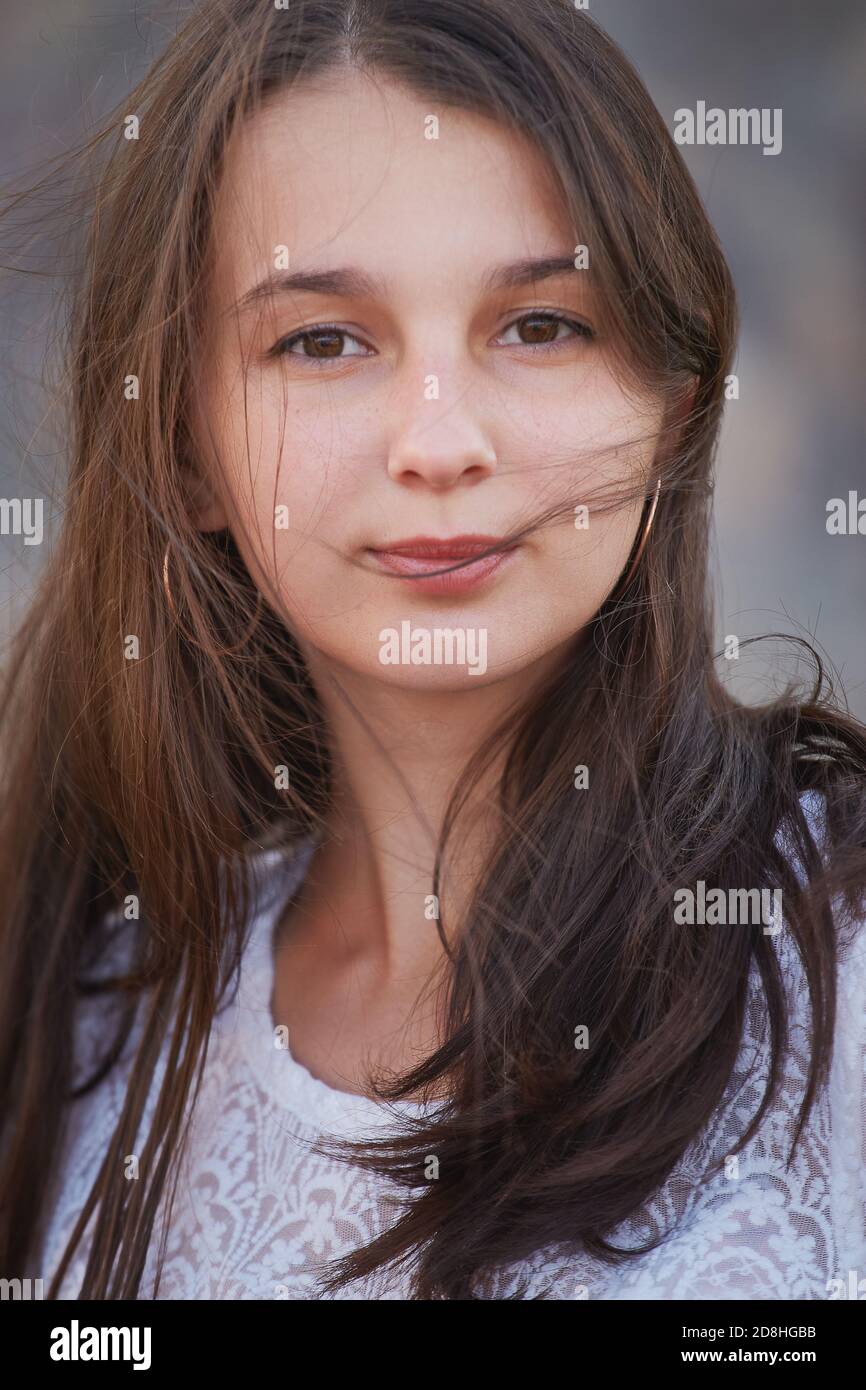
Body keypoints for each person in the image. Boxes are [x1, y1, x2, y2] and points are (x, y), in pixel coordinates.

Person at [0, 0, 863, 1301]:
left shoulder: (835, 955)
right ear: (185, 454)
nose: (438, 441)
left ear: (672, 410)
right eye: (323, 341)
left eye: (538, 324)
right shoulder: (88, 1011)